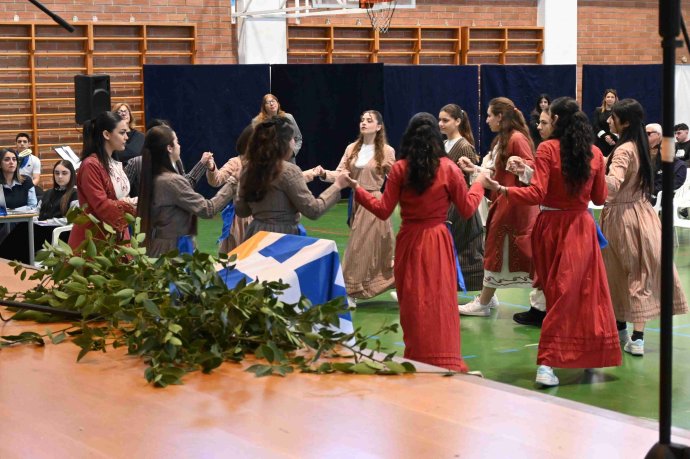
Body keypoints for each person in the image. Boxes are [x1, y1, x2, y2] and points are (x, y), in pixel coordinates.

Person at [481, 97, 621, 386]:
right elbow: (599, 197)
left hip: (551, 228)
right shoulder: (595, 153)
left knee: (558, 294)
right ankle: (584, 355)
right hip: (581, 228)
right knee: (583, 293)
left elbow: (536, 194)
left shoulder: (547, 149)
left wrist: (503, 189)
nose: (539, 124)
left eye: (545, 118)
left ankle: (547, 363)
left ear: (556, 120)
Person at [343, 112, 489, 372]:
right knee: (439, 301)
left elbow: (383, 210)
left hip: (409, 242)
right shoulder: (448, 168)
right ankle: (444, 359)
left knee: (413, 301)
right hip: (437, 242)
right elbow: (467, 209)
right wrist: (479, 184)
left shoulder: (401, 169)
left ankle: (417, 358)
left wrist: (357, 190)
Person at [601, 99, 688, 356]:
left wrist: (591, 177)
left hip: (622, 217)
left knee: (621, 272)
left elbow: (612, 185)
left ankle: (627, 333)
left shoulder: (624, 150)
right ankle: (634, 336)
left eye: (613, 117)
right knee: (640, 272)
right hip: (644, 214)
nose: (609, 120)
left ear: (625, 121)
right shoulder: (640, 147)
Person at [457, 97, 542, 317]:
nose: (486, 120)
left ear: (500, 116)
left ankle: (485, 301)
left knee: (503, 251)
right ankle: (487, 299)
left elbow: (530, 168)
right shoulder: (503, 140)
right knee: (496, 251)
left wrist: (520, 165)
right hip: (505, 202)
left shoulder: (516, 138)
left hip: (514, 206)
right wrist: (475, 169)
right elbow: (497, 174)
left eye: (489, 115)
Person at [318, 110, 395, 302]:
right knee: (372, 250)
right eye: (362, 120)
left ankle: (349, 292)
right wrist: (323, 174)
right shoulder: (351, 148)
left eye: (369, 120)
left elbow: (395, 177)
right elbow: (341, 174)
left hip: (373, 202)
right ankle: (397, 282)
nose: (364, 123)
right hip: (356, 202)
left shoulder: (387, 151)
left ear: (378, 127)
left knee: (357, 248)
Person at [235, 116, 349, 240]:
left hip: (256, 236)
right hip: (282, 238)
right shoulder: (288, 171)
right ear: (284, 143)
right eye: (292, 139)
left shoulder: (249, 169)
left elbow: (242, 211)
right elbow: (313, 210)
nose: (294, 142)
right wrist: (337, 186)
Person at [137, 125, 237, 258]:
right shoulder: (171, 181)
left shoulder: (155, 175)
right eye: (177, 142)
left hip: (158, 246)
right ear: (169, 148)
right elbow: (207, 209)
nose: (179, 146)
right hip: (171, 250)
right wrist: (233, 183)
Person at [68, 111, 137, 249]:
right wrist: (131, 206)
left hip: (114, 235)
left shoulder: (113, 161)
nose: (126, 137)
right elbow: (102, 206)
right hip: (94, 239)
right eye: (122, 132)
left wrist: (131, 201)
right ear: (106, 134)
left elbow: (118, 198)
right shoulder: (90, 165)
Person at [438, 103, 484, 293]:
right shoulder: (443, 145)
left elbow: (471, 179)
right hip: (447, 205)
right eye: (439, 120)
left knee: (467, 251)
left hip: (460, 207)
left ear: (457, 121)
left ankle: (485, 292)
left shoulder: (464, 147)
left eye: (445, 120)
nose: (441, 124)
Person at [125, 118, 213, 198]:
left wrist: (202, 163)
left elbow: (185, 186)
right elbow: (123, 190)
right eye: (164, 133)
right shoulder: (136, 163)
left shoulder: (176, 161)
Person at [0, 148, 37, 249]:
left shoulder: (26, 180)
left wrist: (13, 211)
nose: (11, 162)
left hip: (23, 223)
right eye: (7, 159)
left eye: (14, 159)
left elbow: (33, 206)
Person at [252, 94, 303, 162]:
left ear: (277, 103)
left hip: (288, 162)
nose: (271, 104)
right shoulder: (259, 123)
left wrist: (292, 153)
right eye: (268, 102)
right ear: (264, 107)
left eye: (273, 101)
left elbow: (298, 138)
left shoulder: (288, 118)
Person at [646, 123, 687, 204]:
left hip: (665, 197)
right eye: (662, 148)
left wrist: (653, 190)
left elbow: (674, 185)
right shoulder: (657, 162)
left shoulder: (680, 165)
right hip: (650, 193)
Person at [591, 89, 618, 157]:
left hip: (613, 141)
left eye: (612, 97)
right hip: (600, 141)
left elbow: (618, 126)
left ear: (615, 99)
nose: (610, 99)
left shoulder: (618, 111)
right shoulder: (598, 110)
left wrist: (611, 138)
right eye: (608, 97)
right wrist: (605, 136)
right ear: (605, 98)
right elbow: (595, 125)